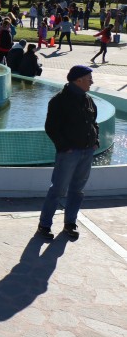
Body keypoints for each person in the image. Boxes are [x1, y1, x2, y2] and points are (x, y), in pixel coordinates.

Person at [37, 66, 99, 241]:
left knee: (77, 190)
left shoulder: (88, 100)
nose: (92, 82)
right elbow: (51, 128)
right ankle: (45, 225)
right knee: (57, 189)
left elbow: (94, 123)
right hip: (69, 154)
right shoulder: (59, 101)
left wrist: (96, 142)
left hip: (87, 152)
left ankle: (70, 223)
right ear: (78, 80)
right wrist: (64, 147)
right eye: (89, 78)